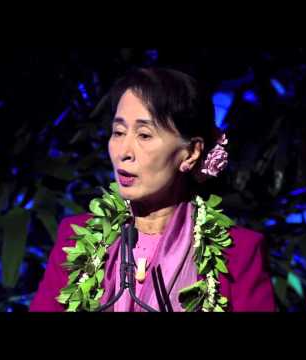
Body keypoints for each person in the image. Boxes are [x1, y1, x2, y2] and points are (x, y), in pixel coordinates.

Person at [30, 67, 276, 312]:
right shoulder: (75, 238)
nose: (124, 152)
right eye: (118, 132)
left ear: (191, 153)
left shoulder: (239, 253)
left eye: (144, 135)